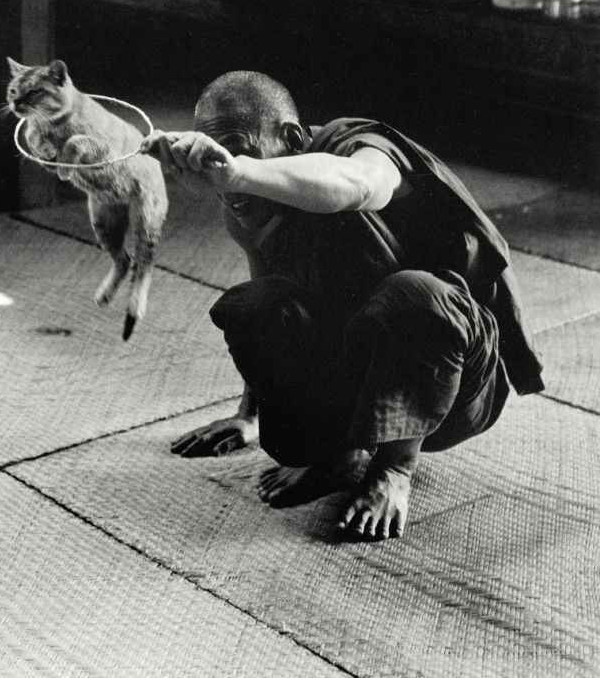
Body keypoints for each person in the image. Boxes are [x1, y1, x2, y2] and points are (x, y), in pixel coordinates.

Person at [142, 71, 543, 541]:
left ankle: (394, 468)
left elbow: (357, 185)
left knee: (413, 293)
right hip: (359, 371)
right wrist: (248, 415)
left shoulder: (361, 146)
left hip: (453, 381)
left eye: (238, 146)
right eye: (218, 156)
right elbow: (271, 293)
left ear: (292, 139)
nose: (226, 171)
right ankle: (338, 455)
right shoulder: (247, 207)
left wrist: (235, 173)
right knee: (253, 304)